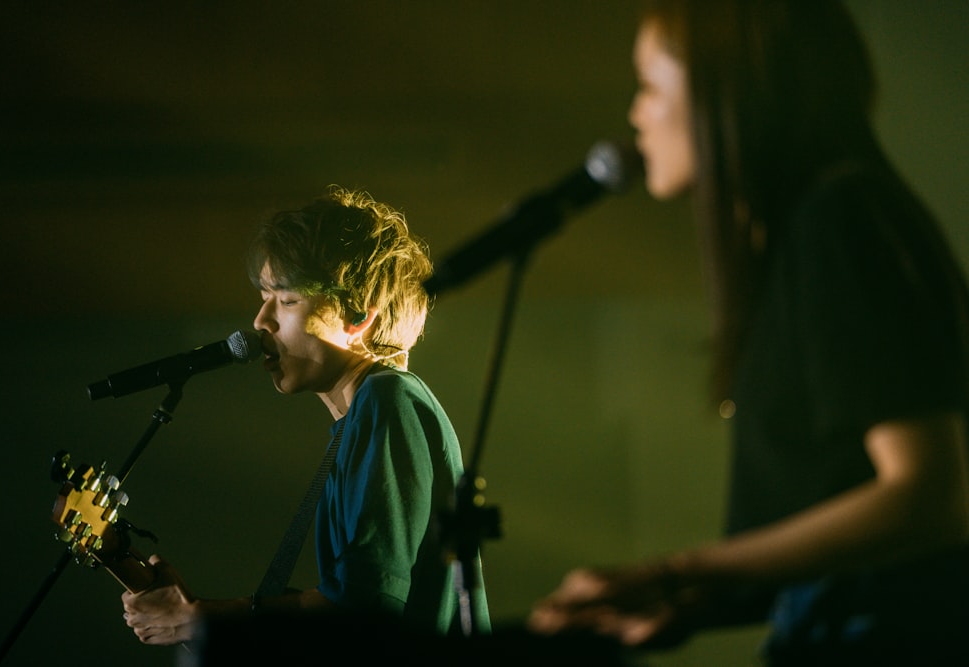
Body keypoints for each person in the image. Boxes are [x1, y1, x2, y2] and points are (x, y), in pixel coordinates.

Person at [528, 1, 969, 665]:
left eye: (649, 85)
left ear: (724, 89)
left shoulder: (838, 223)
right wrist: (689, 600)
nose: (635, 115)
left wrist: (681, 570)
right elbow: (842, 518)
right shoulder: (819, 227)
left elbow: (931, 493)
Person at [121, 185, 491, 651]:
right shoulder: (360, 421)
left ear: (359, 317)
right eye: (262, 297)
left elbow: (363, 608)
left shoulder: (387, 398)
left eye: (287, 301)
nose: (260, 321)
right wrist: (202, 615)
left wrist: (206, 620)